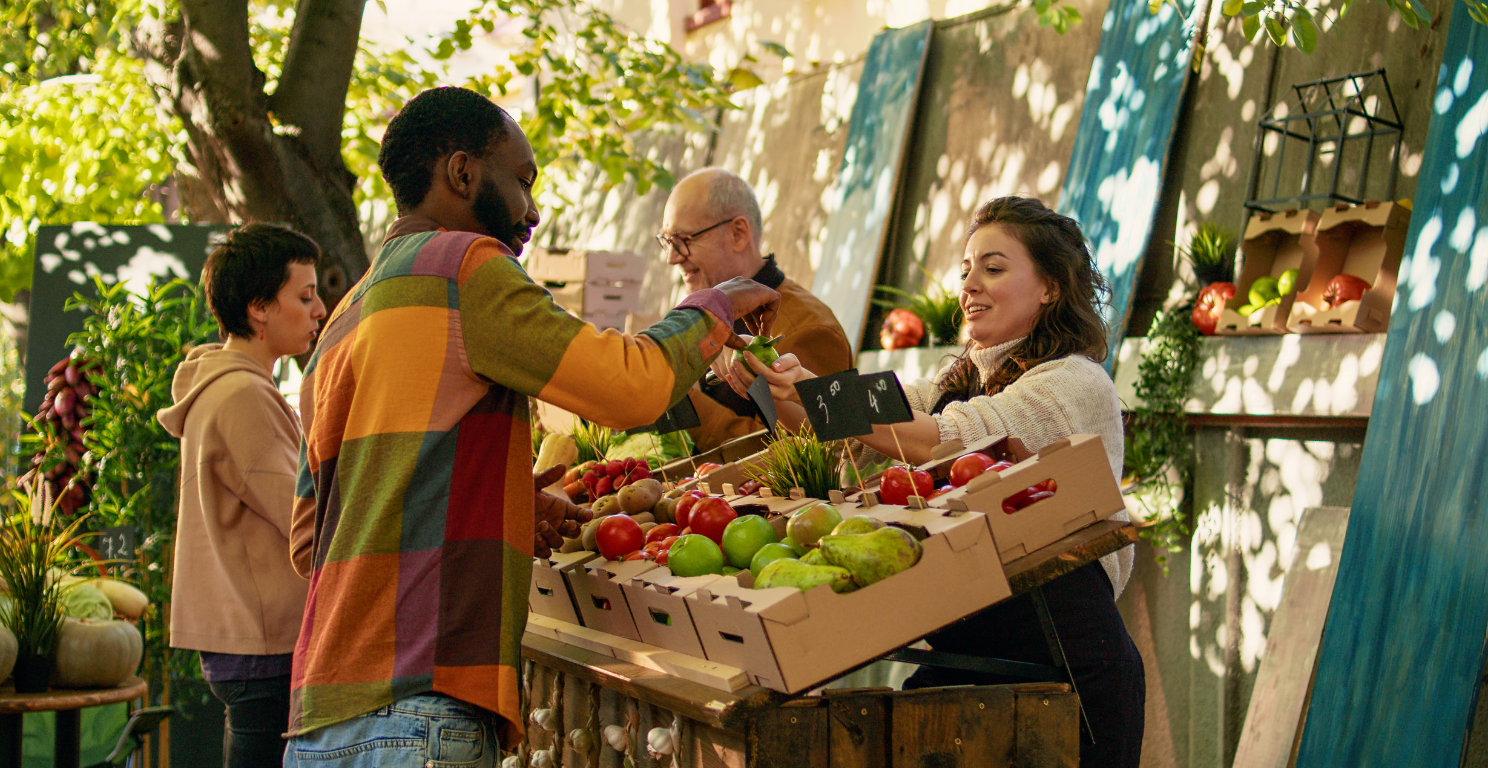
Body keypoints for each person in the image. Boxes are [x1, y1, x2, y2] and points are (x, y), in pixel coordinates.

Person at [282, 87, 780, 767]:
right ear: (461, 173)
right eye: (521, 181)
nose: (533, 210)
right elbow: (630, 385)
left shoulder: (342, 320)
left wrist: (510, 504)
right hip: (425, 701)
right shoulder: (465, 267)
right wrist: (710, 306)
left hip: (321, 720)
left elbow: (314, 539)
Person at [740, 196, 1143, 768]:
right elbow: (871, 415)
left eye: (993, 269)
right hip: (971, 659)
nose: (969, 285)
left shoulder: (1075, 383)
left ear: (1051, 287)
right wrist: (776, 383)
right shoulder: (957, 379)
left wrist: (813, 391)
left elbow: (949, 437)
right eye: (966, 270)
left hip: (1067, 672)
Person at [157, 223, 327, 768]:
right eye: (304, 296)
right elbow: (303, 515)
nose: (320, 310)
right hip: (263, 641)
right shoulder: (242, 395)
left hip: (248, 639)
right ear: (258, 308)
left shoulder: (231, 386)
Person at [659, 167, 852, 451]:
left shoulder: (809, 328)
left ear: (738, 233)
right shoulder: (710, 313)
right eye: (666, 241)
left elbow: (810, 454)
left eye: (684, 241)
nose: (672, 258)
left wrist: (684, 403)